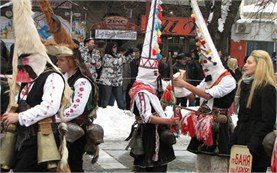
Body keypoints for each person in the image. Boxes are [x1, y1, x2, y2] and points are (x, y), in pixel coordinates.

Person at [2, 0, 64, 171]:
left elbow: (49, 107)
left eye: (26, 59)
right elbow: (21, 100)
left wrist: (19, 117)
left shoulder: (52, 77)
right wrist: (11, 113)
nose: (22, 63)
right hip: (24, 137)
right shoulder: (29, 78)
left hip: (42, 137)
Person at [174, 1, 237, 172]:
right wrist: (180, 87)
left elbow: (209, 95)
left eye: (206, 64)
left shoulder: (228, 79)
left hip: (219, 123)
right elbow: (195, 96)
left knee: (219, 161)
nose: (204, 67)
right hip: (204, 121)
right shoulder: (208, 78)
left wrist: (186, 84)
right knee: (201, 159)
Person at [128, 0, 179, 171]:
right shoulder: (142, 91)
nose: (157, 75)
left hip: (156, 134)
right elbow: (146, 116)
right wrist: (168, 120)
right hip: (149, 138)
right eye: (154, 72)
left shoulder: (148, 89)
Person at [230, 50, 277, 172]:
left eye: (249, 63)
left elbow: (268, 121)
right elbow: (241, 117)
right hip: (242, 141)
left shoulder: (267, 88)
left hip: (256, 145)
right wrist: (234, 139)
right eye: (246, 62)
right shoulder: (245, 85)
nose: (244, 65)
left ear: (260, 65)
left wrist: (254, 143)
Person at [98, 42, 134, 110]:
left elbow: (127, 60)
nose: (115, 49)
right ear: (110, 48)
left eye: (116, 47)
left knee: (120, 101)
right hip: (107, 81)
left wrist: (130, 53)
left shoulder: (118, 55)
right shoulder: (106, 56)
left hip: (117, 81)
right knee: (105, 100)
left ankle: (123, 115)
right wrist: (122, 56)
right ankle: (102, 115)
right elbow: (115, 63)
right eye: (114, 47)